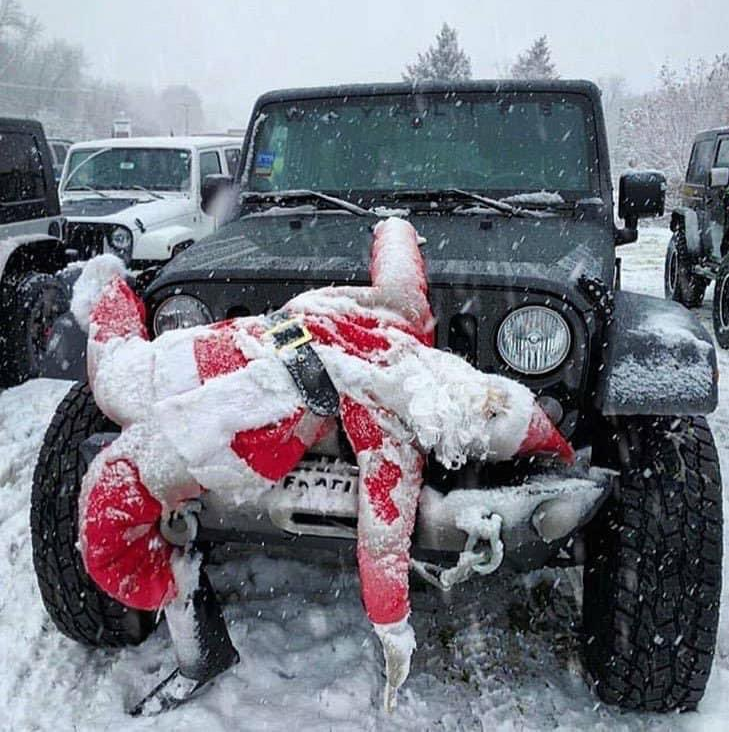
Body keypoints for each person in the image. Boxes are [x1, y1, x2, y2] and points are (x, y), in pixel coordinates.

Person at [71, 217, 574, 716]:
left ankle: (187, 613)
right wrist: (391, 628)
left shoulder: (394, 375)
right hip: (236, 384)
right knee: (123, 402)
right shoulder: (393, 408)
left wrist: (393, 228)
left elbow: (383, 541)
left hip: (243, 368)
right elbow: (382, 541)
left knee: (121, 396)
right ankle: (184, 608)